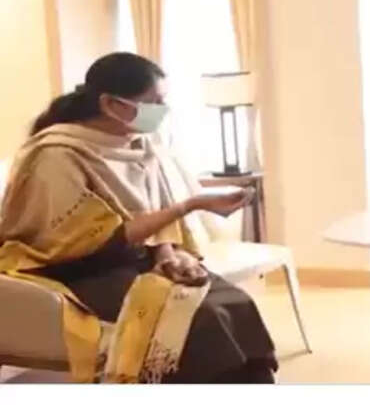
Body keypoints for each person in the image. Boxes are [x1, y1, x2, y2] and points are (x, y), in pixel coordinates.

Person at [0, 53, 278, 383]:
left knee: (235, 303)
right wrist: (191, 205)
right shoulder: (56, 155)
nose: (163, 110)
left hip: (138, 260)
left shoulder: (142, 146)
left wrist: (168, 255)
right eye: (154, 101)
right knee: (199, 320)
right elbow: (89, 239)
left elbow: (157, 215)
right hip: (80, 270)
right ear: (111, 104)